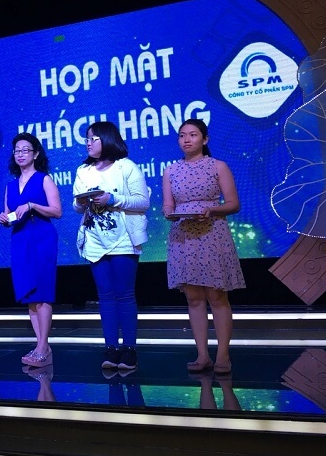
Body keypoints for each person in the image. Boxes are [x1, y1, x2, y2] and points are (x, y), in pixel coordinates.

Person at [162, 118, 245, 375]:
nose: (186, 139)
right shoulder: (171, 170)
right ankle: (202, 355)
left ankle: (223, 355)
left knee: (217, 296)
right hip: (183, 235)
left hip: (212, 233)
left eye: (193, 135)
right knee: (193, 297)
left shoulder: (218, 166)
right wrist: (169, 212)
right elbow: (168, 204)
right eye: (182, 135)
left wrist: (211, 210)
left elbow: (233, 203)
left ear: (205, 139)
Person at [73, 122, 149, 371]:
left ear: (107, 139)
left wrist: (112, 198)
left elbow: (142, 202)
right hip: (95, 240)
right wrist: (82, 202)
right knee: (105, 295)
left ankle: (130, 350)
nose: (88, 143)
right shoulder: (83, 170)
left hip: (124, 238)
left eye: (93, 138)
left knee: (124, 294)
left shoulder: (126, 166)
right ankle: (111, 348)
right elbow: (76, 205)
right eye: (87, 139)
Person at [0, 134, 62, 368]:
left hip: (42, 238)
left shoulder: (44, 179)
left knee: (42, 292)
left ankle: (43, 347)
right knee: (29, 294)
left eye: (25, 150)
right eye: (17, 150)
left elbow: (57, 211)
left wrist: (32, 205)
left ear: (35, 154)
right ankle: (40, 346)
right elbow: (10, 215)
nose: (20, 154)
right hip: (20, 239)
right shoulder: (10, 186)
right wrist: (4, 218)